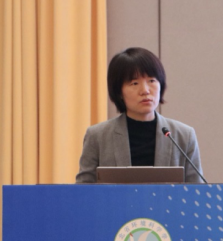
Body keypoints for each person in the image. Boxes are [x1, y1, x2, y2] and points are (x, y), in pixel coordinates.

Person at [75, 47, 204, 183]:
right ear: (119, 92)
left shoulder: (183, 135)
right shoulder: (97, 136)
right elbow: (83, 189)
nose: (145, 90)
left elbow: (197, 190)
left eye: (151, 81)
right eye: (134, 83)